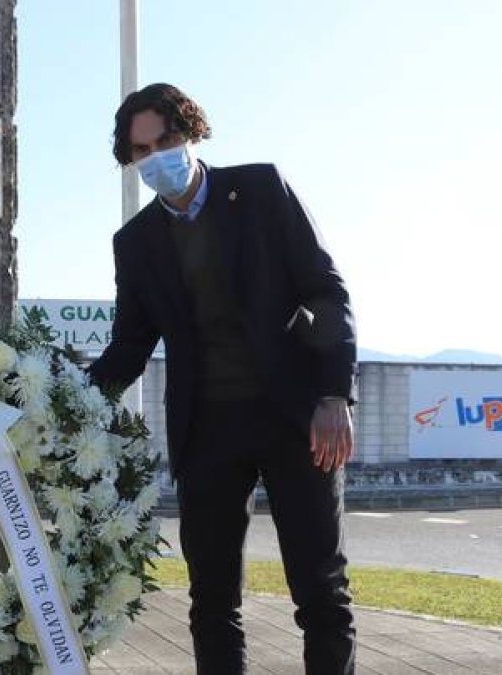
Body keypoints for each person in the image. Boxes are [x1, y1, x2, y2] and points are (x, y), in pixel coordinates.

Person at [89, 83, 357, 674]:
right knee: (211, 602)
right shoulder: (134, 243)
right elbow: (131, 345)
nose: (158, 156)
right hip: (207, 432)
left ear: (191, 134)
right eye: (142, 150)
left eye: (167, 140)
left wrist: (335, 393)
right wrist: (67, 392)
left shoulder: (261, 188)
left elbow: (327, 291)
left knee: (321, 592)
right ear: (129, 160)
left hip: (297, 419)